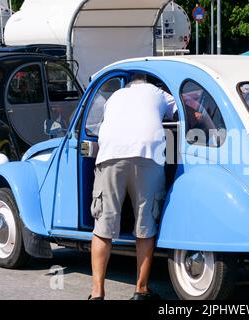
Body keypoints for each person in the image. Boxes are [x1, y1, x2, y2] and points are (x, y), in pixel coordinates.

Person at [89, 73, 176, 300]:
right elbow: (185, 113)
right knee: (145, 225)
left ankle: (97, 293)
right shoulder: (160, 93)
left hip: (109, 155)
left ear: (128, 84)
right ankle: (141, 289)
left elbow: (97, 126)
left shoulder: (114, 96)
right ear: (149, 83)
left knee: (103, 227)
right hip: (147, 154)